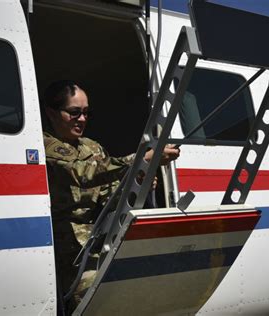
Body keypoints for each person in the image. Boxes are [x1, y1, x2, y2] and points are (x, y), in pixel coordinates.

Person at [42, 80, 179, 313]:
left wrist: (136, 182)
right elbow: (82, 173)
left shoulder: (91, 147)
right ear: (52, 113)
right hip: (69, 249)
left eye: (86, 113)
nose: (82, 120)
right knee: (90, 300)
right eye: (74, 113)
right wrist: (140, 160)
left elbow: (109, 192)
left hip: (101, 240)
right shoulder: (45, 145)